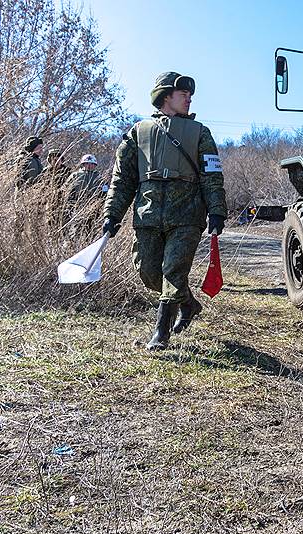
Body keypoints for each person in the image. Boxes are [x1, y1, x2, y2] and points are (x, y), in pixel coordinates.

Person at [102, 72, 227, 351]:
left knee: (173, 270)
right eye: (183, 94)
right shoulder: (138, 132)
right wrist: (112, 214)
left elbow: (212, 174)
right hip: (147, 213)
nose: (189, 99)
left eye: (189, 95)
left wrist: (217, 210)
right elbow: (122, 179)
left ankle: (161, 332)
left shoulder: (200, 133)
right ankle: (189, 304)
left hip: (187, 214)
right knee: (148, 271)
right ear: (166, 97)